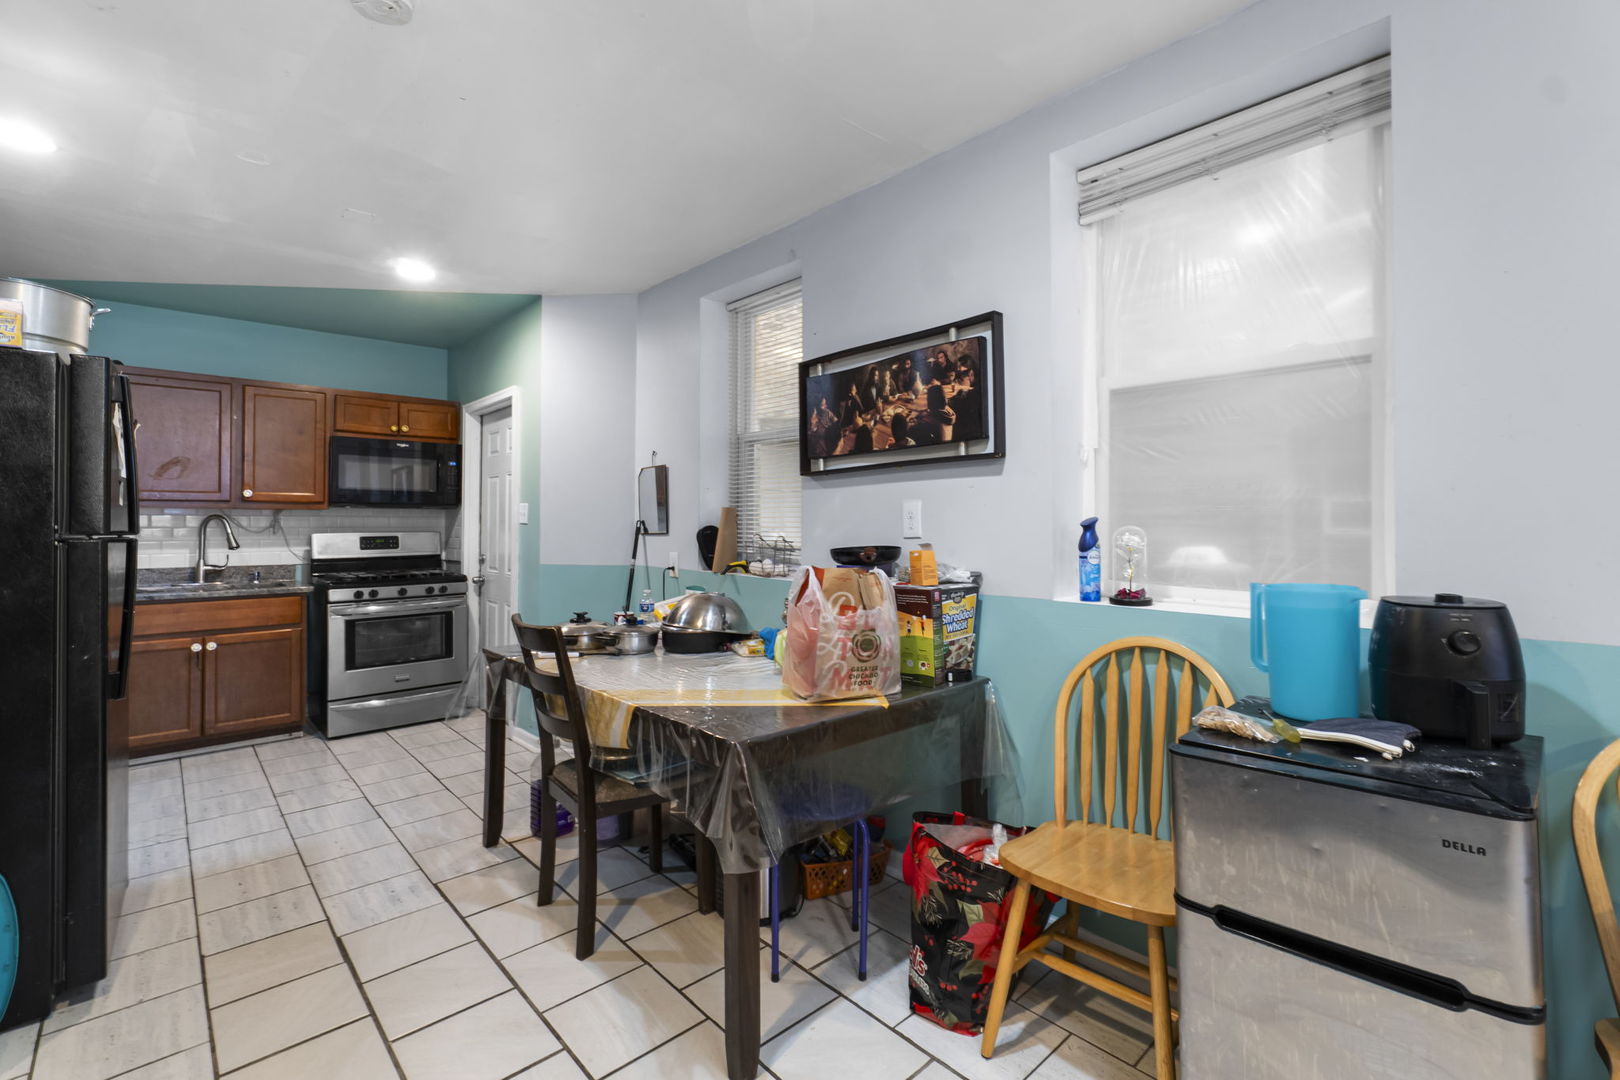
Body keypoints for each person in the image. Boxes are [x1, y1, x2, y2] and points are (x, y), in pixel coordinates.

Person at [950, 367, 984, 442]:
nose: (959, 369)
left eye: (961, 380)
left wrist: (958, 391)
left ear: (971, 375)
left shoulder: (974, 392)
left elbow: (958, 407)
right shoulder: (970, 388)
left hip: (967, 432)